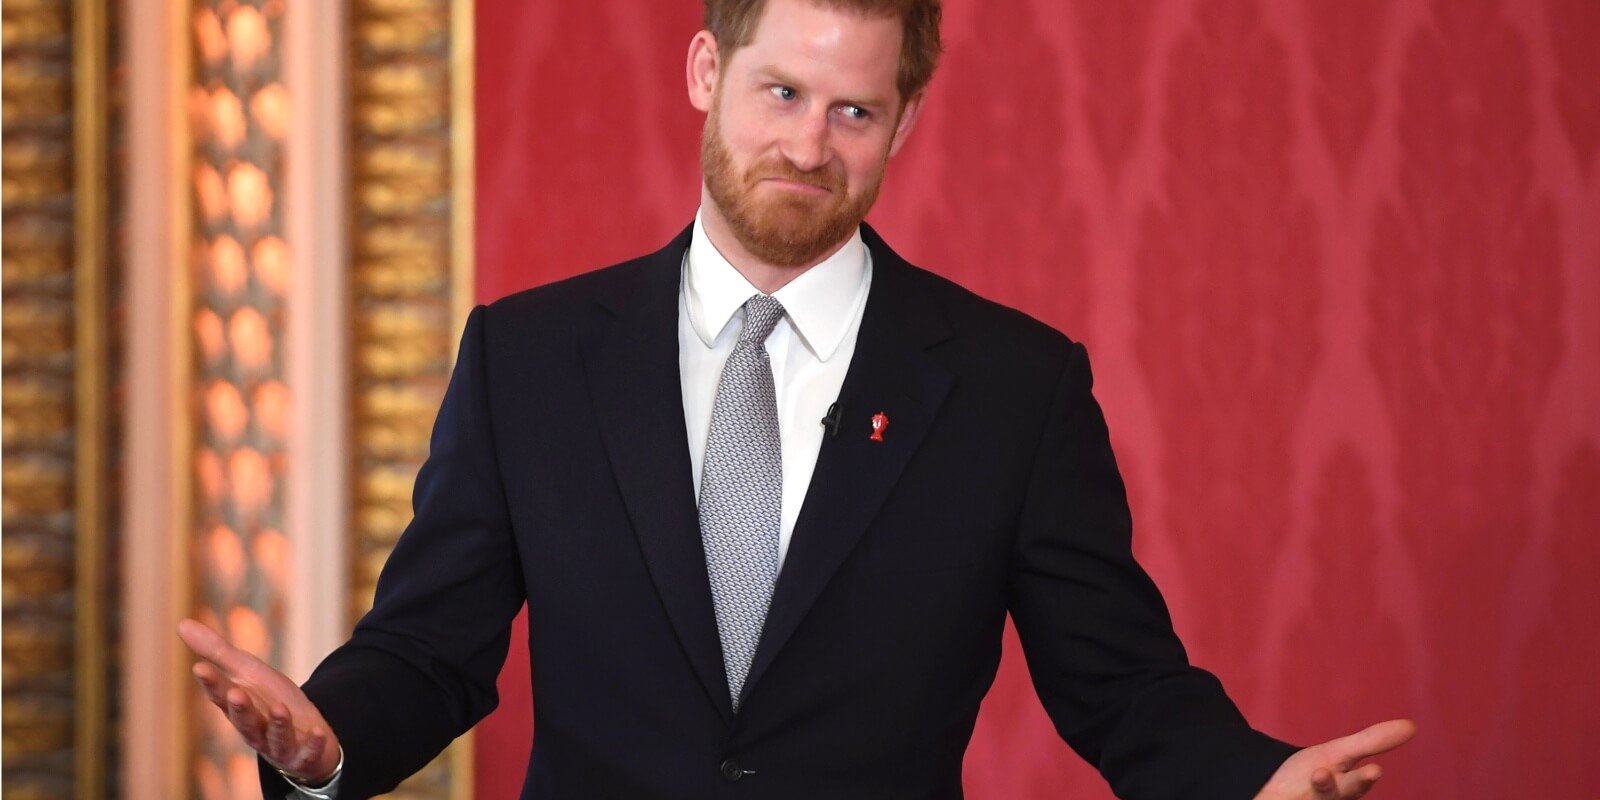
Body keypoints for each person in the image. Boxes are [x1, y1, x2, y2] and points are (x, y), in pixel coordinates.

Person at [179, 0, 1415, 797]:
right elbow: (429, 647)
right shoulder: (531, 356)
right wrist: (327, 737)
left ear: (904, 122)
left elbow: (1121, 683)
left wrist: (1253, 781)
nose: (809, 146)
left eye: (854, 111)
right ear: (707, 70)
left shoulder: (1011, 384)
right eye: (780, 93)